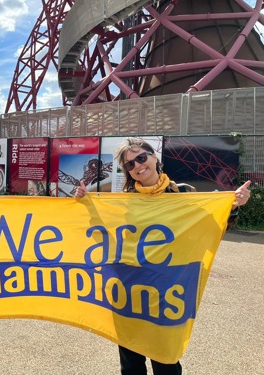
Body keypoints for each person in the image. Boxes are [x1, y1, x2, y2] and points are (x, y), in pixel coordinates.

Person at [75, 137, 251, 375]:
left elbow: (212, 225)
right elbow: (102, 232)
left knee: (166, 361)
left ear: (153, 156)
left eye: (141, 157)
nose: (137, 165)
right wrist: (85, 203)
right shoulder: (123, 201)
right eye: (130, 164)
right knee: (131, 363)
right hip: (129, 289)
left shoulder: (183, 194)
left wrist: (232, 205)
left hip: (167, 289)